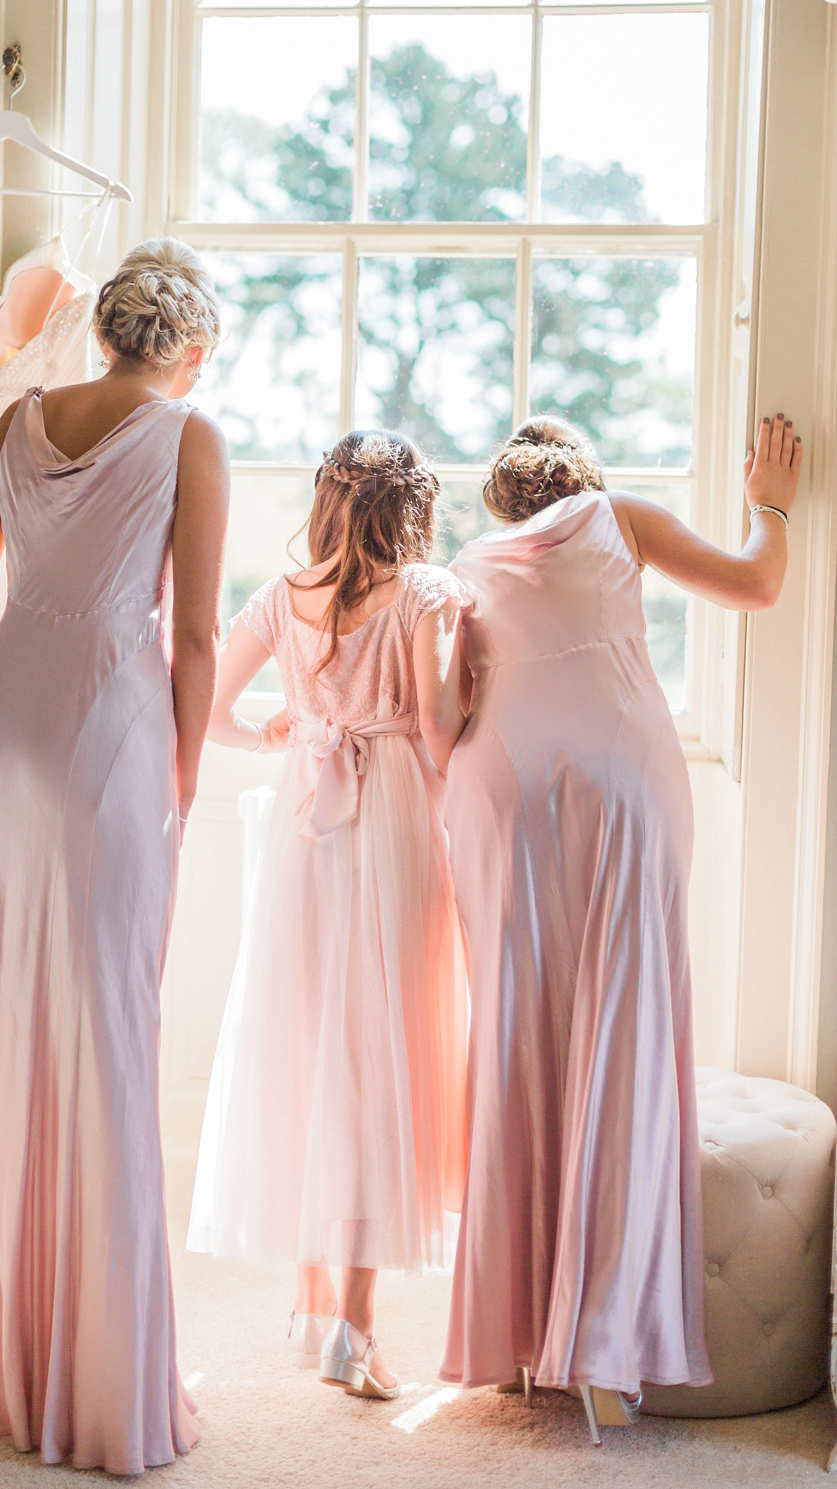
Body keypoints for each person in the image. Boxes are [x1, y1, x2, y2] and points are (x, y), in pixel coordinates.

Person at [0, 239, 229, 1473]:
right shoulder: (188, 437)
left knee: (3, 1028)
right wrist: (183, 771)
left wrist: (12, 707)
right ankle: (100, 1387)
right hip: (105, 738)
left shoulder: (20, 416)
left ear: (103, 333)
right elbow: (197, 634)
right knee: (104, 1042)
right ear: (192, 351)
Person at [440, 412, 803, 1444]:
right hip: (623, 787)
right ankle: (603, 1352)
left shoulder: (467, 564)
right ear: (579, 483)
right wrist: (771, 503)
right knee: (624, 1041)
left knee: (520, 1045)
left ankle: (521, 1338)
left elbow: (452, 705)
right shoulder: (618, 517)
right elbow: (757, 583)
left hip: (507, 793)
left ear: (500, 504)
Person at [187, 430, 468, 1401]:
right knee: (379, 1057)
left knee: (312, 1055)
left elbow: (208, 710)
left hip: (307, 825)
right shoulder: (427, 594)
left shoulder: (279, 597)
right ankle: (356, 1326)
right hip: (387, 819)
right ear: (412, 511)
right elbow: (435, 734)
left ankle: (316, 1316)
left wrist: (280, 726)